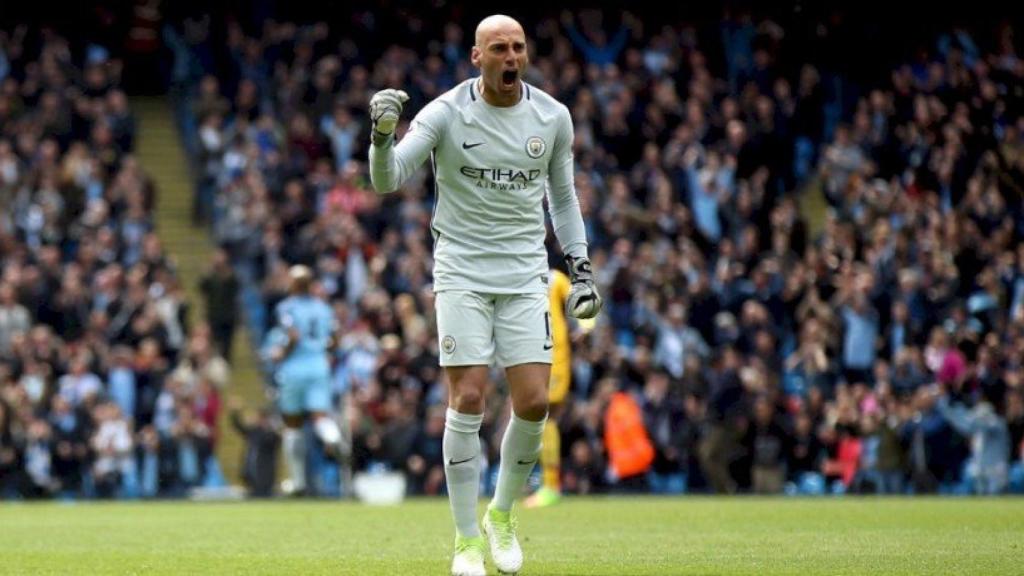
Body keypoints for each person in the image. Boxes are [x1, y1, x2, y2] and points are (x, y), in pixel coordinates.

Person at [369, 14, 602, 576]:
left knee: (533, 403)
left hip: (525, 272)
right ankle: (466, 539)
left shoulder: (552, 117)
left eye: (519, 47)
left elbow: (563, 202)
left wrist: (582, 268)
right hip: (461, 270)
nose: (511, 57)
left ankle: (501, 514)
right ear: (477, 57)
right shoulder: (446, 113)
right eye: (499, 48)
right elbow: (387, 178)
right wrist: (381, 138)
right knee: (468, 398)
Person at [266, 265, 343, 496]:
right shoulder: (323, 308)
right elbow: (335, 339)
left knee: (292, 424)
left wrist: (282, 353)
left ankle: (297, 482)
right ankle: (335, 438)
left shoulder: (286, 307)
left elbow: (293, 336)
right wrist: (323, 352)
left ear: (294, 284)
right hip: (319, 366)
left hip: (295, 368)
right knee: (320, 417)